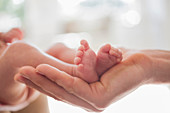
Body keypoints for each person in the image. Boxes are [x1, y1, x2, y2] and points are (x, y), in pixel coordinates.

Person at [15, 45, 170, 112]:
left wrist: (148, 66)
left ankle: (90, 67)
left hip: (20, 86)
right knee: (20, 52)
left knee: (58, 48)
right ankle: (78, 71)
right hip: (12, 88)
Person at [0, 28, 122, 112]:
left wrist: (7, 35)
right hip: (5, 88)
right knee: (17, 50)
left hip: (21, 76)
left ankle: (93, 65)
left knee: (57, 48)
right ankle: (75, 72)